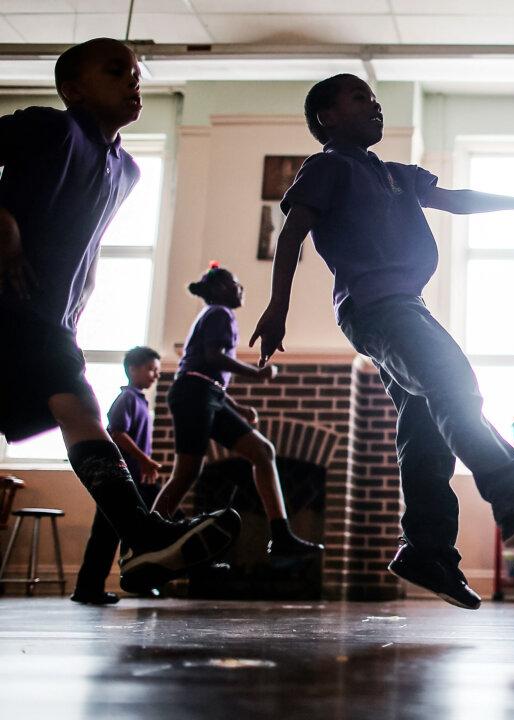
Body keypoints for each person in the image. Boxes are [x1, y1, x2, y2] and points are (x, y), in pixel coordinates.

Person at [249, 74, 514, 610]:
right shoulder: (327, 167)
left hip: (405, 304)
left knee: (425, 424)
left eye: (375, 98)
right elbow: (291, 234)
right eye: (359, 98)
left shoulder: (396, 175)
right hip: (375, 305)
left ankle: (427, 551)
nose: (374, 106)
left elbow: (458, 199)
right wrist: (277, 307)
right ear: (326, 118)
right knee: (453, 380)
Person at [0, 38, 238, 595]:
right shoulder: (49, 128)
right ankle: (143, 535)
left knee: (80, 411)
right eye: (116, 71)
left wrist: (79, 299)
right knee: (80, 409)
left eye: (136, 73)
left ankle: (143, 537)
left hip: (49, 318)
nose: (133, 81)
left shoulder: (126, 169)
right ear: (73, 90)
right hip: (10, 303)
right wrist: (4, 224)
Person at [152, 264, 323, 559]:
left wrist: (236, 407)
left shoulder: (215, 315)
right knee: (187, 472)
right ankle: (145, 536)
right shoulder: (220, 313)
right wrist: (257, 373)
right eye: (236, 283)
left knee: (263, 451)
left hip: (206, 394)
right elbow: (212, 358)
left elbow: (209, 376)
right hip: (193, 395)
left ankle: (281, 536)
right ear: (220, 289)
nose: (240, 288)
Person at [71, 347, 163, 605]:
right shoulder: (128, 398)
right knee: (105, 534)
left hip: (133, 480)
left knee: (125, 534)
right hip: (118, 480)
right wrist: (144, 460)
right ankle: (88, 588)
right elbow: (117, 432)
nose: (155, 375)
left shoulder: (141, 401)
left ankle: (135, 582)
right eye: (151, 369)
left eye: (157, 370)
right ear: (133, 369)